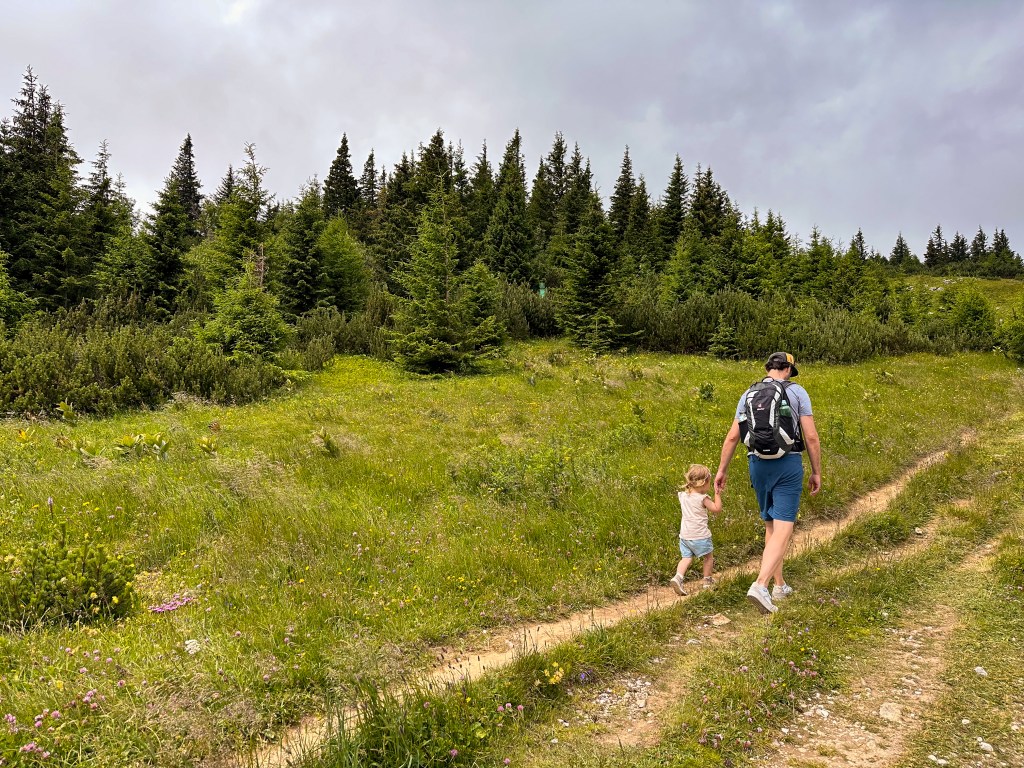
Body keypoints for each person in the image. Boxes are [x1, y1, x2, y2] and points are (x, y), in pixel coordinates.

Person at [714, 352, 821, 614]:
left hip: (757, 463)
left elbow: (732, 437)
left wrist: (722, 470)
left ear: (768, 369)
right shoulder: (797, 392)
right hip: (787, 463)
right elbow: (810, 436)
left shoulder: (748, 394)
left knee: (771, 525)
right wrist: (816, 471)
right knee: (784, 526)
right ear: (788, 369)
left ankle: (779, 585)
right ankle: (761, 585)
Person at [669, 464, 723, 595]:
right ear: (703, 483)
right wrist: (717, 493)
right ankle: (707, 581)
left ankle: (678, 577)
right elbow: (717, 509)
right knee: (708, 557)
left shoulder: (683, 496)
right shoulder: (703, 498)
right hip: (700, 536)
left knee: (686, 558)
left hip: (685, 536)